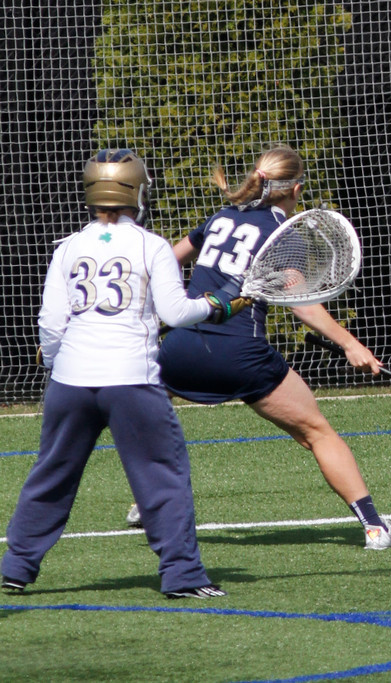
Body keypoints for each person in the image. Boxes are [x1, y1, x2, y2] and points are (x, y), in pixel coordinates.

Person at [2, 148, 245, 599]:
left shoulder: (68, 247)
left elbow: (51, 323)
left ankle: (16, 567)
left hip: (71, 381)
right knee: (160, 475)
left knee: (52, 472)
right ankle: (183, 575)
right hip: (131, 380)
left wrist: (58, 365)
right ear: (136, 190)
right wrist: (219, 304)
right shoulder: (150, 245)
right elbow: (176, 310)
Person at [153, 144, 391, 549]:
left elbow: (165, 260)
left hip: (180, 347)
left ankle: (148, 501)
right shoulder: (282, 232)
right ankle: (375, 527)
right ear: (297, 189)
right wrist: (349, 344)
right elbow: (301, 302)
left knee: (144, 410)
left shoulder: (221, 217)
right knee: (318, 433)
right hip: (240, 354)